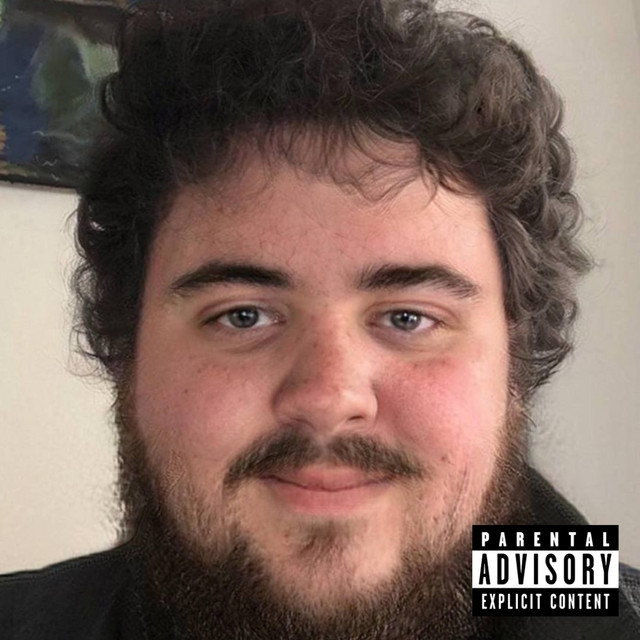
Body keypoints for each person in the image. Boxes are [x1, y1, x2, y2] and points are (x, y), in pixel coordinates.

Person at [1, 0, 639, 638]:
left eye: (409, 317)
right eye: (243, 316)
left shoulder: (608, 612)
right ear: (129, 352)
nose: (329, 398)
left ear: (515, 365)